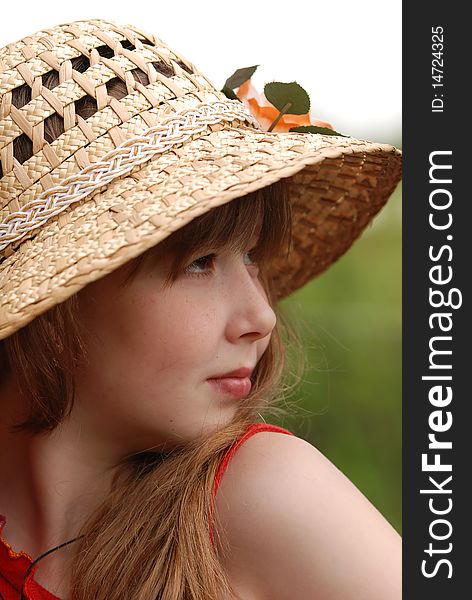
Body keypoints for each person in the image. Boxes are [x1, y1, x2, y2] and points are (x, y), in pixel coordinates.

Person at [0, 18, 402, 600]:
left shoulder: (258, 497)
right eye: (201, 262)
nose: (261, 317)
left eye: (253, 259)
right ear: (59, 298)